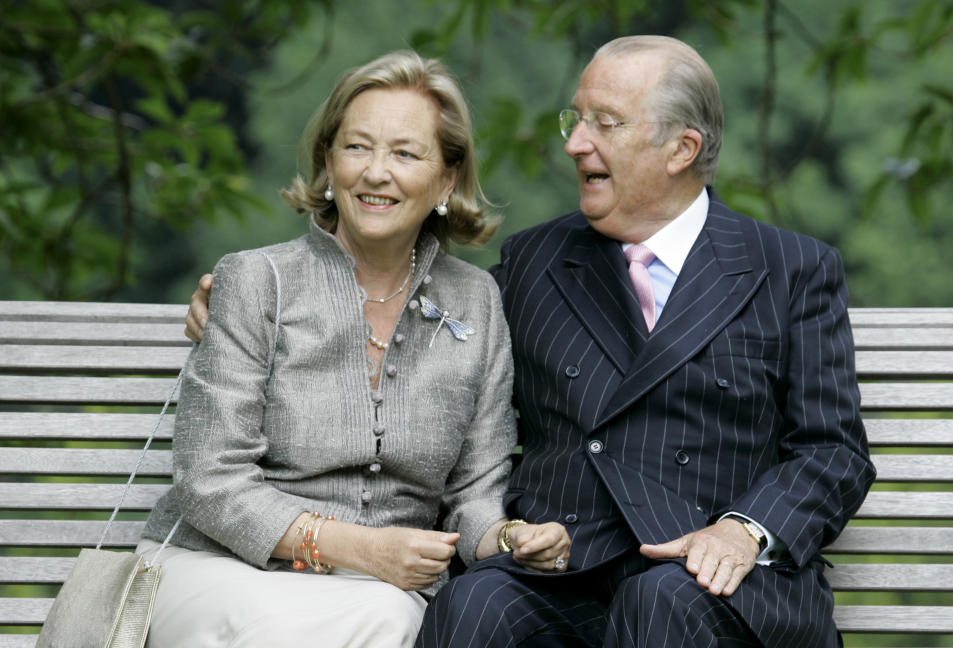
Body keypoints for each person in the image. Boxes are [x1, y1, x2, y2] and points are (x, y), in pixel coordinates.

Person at [188, 37, 876, 647]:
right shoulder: (533, 264)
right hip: (564, 576)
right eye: (574, 119)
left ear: (681, 149)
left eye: (604, 123)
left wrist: (744, 531)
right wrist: (243, 305)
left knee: (661, 602)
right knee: (475, 603)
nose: (576, 142)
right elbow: (427, 315)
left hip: (719, 585)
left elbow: (833, 450)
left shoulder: (789, 268)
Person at [141, 50, 569, 648]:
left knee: (386, 614)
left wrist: (507, 539)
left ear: (447, 178)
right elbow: (209, 480)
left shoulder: (475, 302)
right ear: (327, 161)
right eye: (357, 147)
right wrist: (362, 550)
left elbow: (474, 493)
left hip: (377, 592)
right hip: (220, 569)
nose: (375, 173)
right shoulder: (256, 280)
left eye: (405, 153)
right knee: (380, 619)